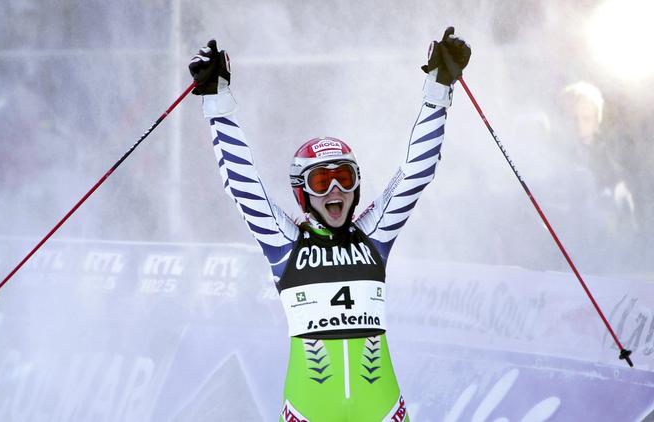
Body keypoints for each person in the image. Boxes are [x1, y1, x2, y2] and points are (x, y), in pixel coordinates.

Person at [188, 28, 470, 422]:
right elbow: (243, 184)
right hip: (310, 411)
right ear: (302, 193)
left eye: (345, 178)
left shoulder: (373, 235)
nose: (335, 190)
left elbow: (414, 175)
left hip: (383, 410)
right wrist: (217, 101)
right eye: (322, 181)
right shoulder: (286, 242)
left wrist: (439, 88)